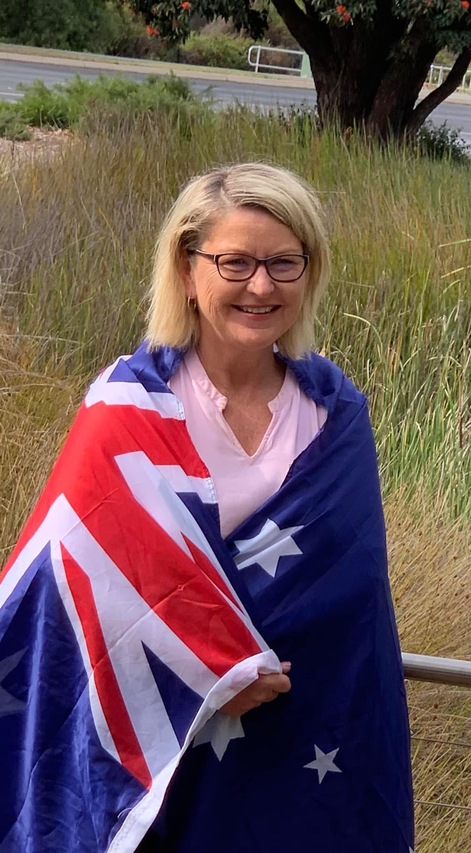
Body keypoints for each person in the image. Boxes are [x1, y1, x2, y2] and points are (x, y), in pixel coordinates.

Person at [0, 163, 414, 852]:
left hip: (303, 740)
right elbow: (73, 586)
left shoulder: (335, 415)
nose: (262, 286)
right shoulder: (126, 406)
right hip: (162, 752)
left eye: (284, 262)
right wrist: (212, 670)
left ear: (310, 272)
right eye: (236, 262)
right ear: (188, 270)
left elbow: (354, 598)